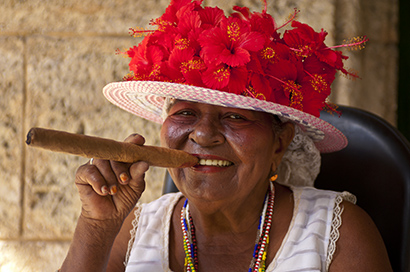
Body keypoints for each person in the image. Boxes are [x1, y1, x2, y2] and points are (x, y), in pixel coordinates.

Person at [59, 0, 392, 271]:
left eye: (234, 117)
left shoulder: (338, 235)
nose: (203, 135)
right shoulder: (133, 231)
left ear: (280, 141)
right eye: (185, 113)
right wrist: (97, 226)